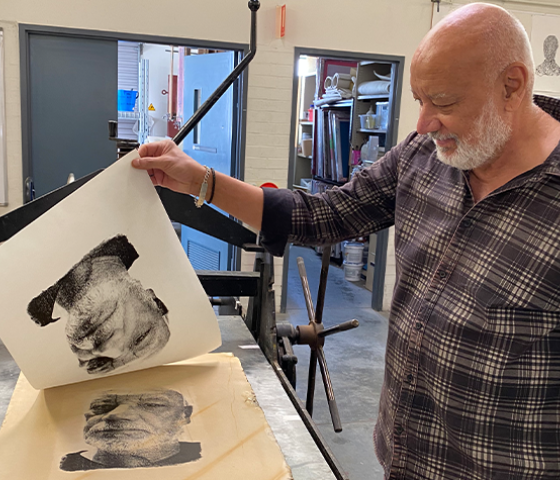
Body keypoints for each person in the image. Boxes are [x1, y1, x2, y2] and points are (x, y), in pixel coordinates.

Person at [133, 3, 560, 479]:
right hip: (406, 458)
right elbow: (326, 214)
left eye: (443, 101)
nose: (422, 123)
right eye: (419, 99)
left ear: (513, 85)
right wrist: (199, 181)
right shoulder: (423, 157)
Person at [27, 235, 170, 374]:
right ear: (152, 299)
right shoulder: (128, 231)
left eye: (102, 362)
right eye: (141, 337)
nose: (109, 347)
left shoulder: (28, 322)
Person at [60, 389, 201, 471]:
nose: (115, 414)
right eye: (101, 406)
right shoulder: (68, 464)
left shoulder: (199, 459)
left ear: (184, 414)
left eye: (152, 404)